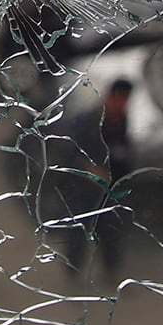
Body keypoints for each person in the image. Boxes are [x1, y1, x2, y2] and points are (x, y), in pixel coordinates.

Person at [43, 78, 135, 281]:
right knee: (78, 231)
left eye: (126, 100)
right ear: (111, 96)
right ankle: (73, 274)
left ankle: (111, 273)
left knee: (111, 231)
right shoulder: (88, 120)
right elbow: (70, 151)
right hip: (83, 187)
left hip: (109, 189)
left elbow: (124, 152)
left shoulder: (121, 121)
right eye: (120, 98)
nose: (122, 104)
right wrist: (90, 169)